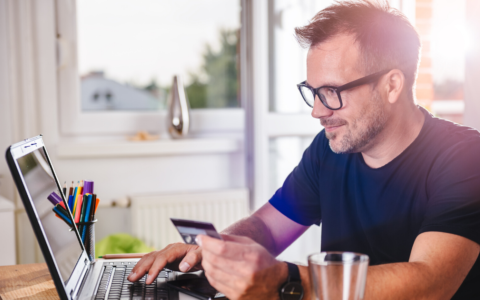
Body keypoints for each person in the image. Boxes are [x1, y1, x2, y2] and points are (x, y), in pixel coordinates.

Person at [128, 1, 480, 299]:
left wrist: (288, 279)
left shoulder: (465, 159)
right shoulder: (329, 150)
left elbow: (430, 282)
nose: (317, 110)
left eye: (331, 91)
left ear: (391, 85)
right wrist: (212, 251)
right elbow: (265, 229)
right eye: (312, 91)